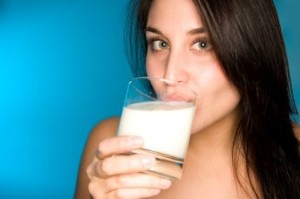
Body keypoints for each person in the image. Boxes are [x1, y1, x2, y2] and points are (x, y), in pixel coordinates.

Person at [75, 0, 300, 198]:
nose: (170, 76)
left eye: (203, 44)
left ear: (251, 51)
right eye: (160, 44)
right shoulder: (112, 147)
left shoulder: (295, 151)